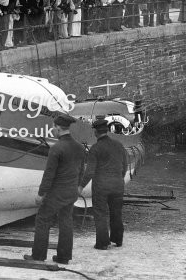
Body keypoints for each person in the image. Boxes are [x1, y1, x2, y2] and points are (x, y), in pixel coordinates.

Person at [24, 113, 85, 264]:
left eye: (53, 127)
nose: (52, 130)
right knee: (66, 222)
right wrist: (78, 186)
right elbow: (81, 170)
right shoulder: (79, 147)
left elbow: (49, 174)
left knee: (42, 220)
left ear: (58, 128)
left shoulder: (56, 148)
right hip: (71, 192)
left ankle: (38, 255)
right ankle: (64, 257)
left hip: (56, 193)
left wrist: (41, 193)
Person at [79, 118, 128, 250]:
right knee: (116, 213)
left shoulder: (95, 149)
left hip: (101, 187)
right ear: (106, 130)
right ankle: (118, 240)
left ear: (95, 132)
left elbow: (89, 172)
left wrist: (80, 186)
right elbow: (125, 166)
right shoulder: (119, 145)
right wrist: (118, 179)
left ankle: (102, 243)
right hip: (117, 185)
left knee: (100, 214)